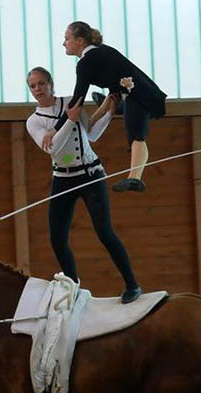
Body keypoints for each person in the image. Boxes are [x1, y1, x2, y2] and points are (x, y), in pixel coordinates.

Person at [25, 66, 142, 304]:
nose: (38, 89)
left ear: (50, 83)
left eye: (41, 83)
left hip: (91, 174)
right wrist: (69, 120)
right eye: (32, 86)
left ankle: (132, 284)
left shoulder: (70, 101)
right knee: (57, 239)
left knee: (104, 232)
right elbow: (53, 148)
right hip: (63, 179)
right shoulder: (33, 121)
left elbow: (91, 133)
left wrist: (109, 111)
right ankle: (74, 289)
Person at [53, 20, 167, 194]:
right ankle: (118, 106)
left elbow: (77, 100)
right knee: (117, 104)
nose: (64, 43)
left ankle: (135, 178)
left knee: (136, 134)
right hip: (126, 91)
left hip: (140, 95)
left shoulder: (86, 63)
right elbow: (118, 76)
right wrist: (99, 113)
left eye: (67, 38)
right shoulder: (101, 52)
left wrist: (55, 130)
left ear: (80, 41)